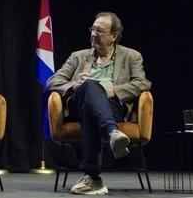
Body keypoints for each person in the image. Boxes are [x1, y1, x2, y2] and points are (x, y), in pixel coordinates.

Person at [46, 12, 151, 195]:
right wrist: (75, 85)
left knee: (91, 108)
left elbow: (143, 83)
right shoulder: (78, 56)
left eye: (100, 31)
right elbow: (52, 82)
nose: (94, 34)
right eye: (93, 29)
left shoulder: (131, 56)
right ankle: (112, 132)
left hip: (112, 106)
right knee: (89, 87)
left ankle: (93, 178)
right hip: (78, 104)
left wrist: (114, 91)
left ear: (114, 36)